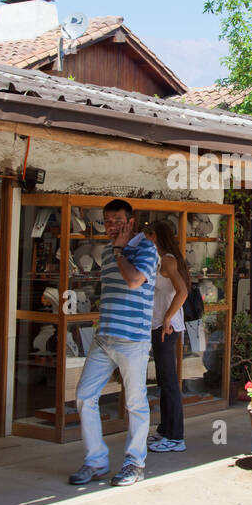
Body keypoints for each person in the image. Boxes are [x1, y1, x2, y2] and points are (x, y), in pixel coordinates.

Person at [69, 199, 159, 487]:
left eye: (118, 221)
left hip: (133, 339)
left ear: (131, 222)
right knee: (84, 395)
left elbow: (134, 281)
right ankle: (96, 461)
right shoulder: (107, 252)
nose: (112, 227)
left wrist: (120, 252)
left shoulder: (146, 248)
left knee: (135, 403)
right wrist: (116, 252)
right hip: (104, 336)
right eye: (107, 222)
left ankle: (135, 463)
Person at [145, 220, 189, 453]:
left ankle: (175, 436)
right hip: (159, 325)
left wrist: (168, 318)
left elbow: (182, 291)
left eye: (148, 236)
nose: (146, 240)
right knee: (164, 380)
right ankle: (165, 429)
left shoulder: (168, 260)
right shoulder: (161, 259)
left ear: (156, 236)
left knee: (170, 382)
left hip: (166, 328)